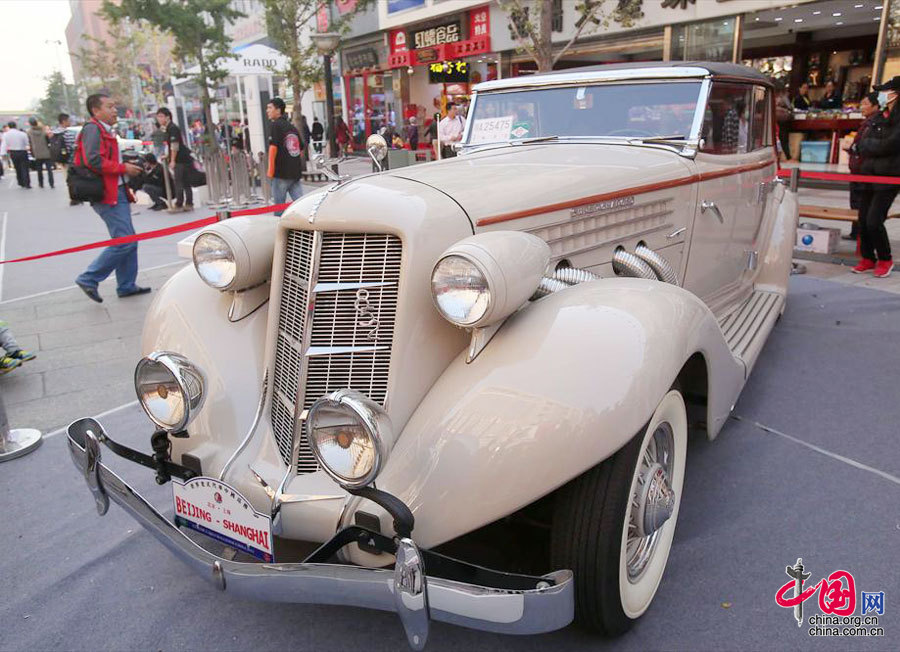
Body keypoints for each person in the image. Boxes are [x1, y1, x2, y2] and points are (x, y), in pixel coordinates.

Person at [74, 93, 151, 302]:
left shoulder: (104, 130)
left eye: (114, 106)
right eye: (109, 106)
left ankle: (126, 285)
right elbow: (93, 161)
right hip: (107, 193)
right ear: (96, 111)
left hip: (115, 191)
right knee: (125, 241)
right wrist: (122, 167)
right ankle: (89, 278)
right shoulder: (93, 129)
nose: (114, 110)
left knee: (129, 240)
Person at [853, 76, 900, 278]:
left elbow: (891, 144)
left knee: (874, 220)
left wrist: (871, 146)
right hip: (868, 174)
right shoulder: (878, 117)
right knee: (863, 219)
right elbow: (861, 143)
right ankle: (867, 257)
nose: (881, 95)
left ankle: (885, 258)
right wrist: (871, 146)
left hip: (889, 176)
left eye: (885, 91)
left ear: (895, 93)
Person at [844, 92, 881, 241]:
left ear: (875, 106)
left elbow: (865, 146)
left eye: (866, 104)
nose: (862, 107)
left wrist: (854, 148)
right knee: (856, 201)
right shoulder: (866, 123)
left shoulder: (873, 123)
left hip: (863, 170)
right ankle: (856, 232)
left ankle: (860, 233)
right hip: (857, 168)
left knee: (860, 202)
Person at [265, 97, 303, 217]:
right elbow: (300, 148)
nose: (267, 110)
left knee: (279, 208)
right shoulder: (291, 127)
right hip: (295, 173)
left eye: (270, 108)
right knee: (301, 205)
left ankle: (279, 232)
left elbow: (273, 148)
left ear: (278, 110)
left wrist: (270, 171)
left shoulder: (275, 125)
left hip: (281, 174)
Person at [155, 107, 193, 211]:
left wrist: (172, 160)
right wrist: (168, 156)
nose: (159, 119)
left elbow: (175, 145)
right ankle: (189, 204)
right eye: (158, 116)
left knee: (179, 182)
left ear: (167, 117)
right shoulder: (169, 128)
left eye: (161, 116)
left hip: (180, 159)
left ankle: (179, 204)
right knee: (185, 182)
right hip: (183, 158)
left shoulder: (172, 128)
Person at [27, 117, 54, 189]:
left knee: (39, 170)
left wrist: (32, 152)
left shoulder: (30, 132)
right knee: (49, 170)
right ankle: (51, 183)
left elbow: (30, 143)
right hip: (46, 153)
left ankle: (41, 183)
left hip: (37, 153)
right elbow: (48, 142)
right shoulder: (43, 131)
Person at [3, 121, 31, 188]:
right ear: (16, 126)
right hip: (22, 152)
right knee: (25, 168)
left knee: (17, 168)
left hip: (13, 152)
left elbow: (4, 145)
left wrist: (3, 153)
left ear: (9, 126)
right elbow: (27, 143)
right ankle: (27, 183)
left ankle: (20, 182)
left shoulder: (6, 134)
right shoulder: (22, 133)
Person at [775, 85, 793, 160]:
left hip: (779, 120)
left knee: (781, 138)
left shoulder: (778, 98)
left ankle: (785, 156)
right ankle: (787, 156)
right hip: (782, 121)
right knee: (783, 139)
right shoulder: (783, 98)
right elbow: (790, 107)